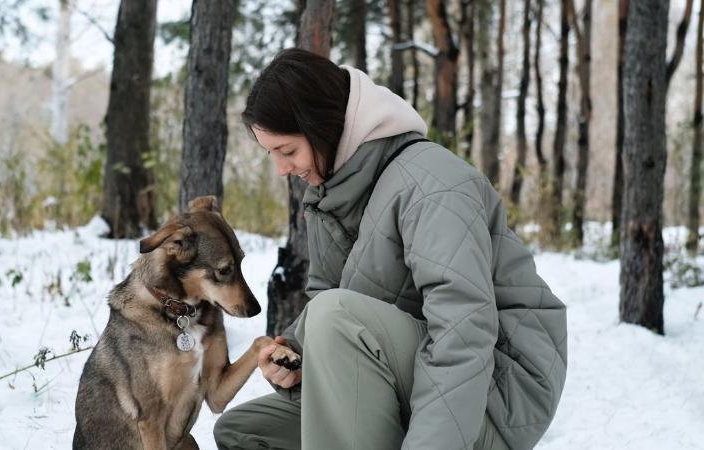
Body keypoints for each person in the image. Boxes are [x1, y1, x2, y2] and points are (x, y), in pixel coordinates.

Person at [214, 48, 567, 450]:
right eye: (271, 154)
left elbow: (463, 331)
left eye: (288, 151)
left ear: (324, 128)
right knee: (244, 434)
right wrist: (296, 357)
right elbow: (346, 310)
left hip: (492, 401)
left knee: (335, 316)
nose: (282, 170)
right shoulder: (334, 196)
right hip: (410, 380)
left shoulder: (433, 183)